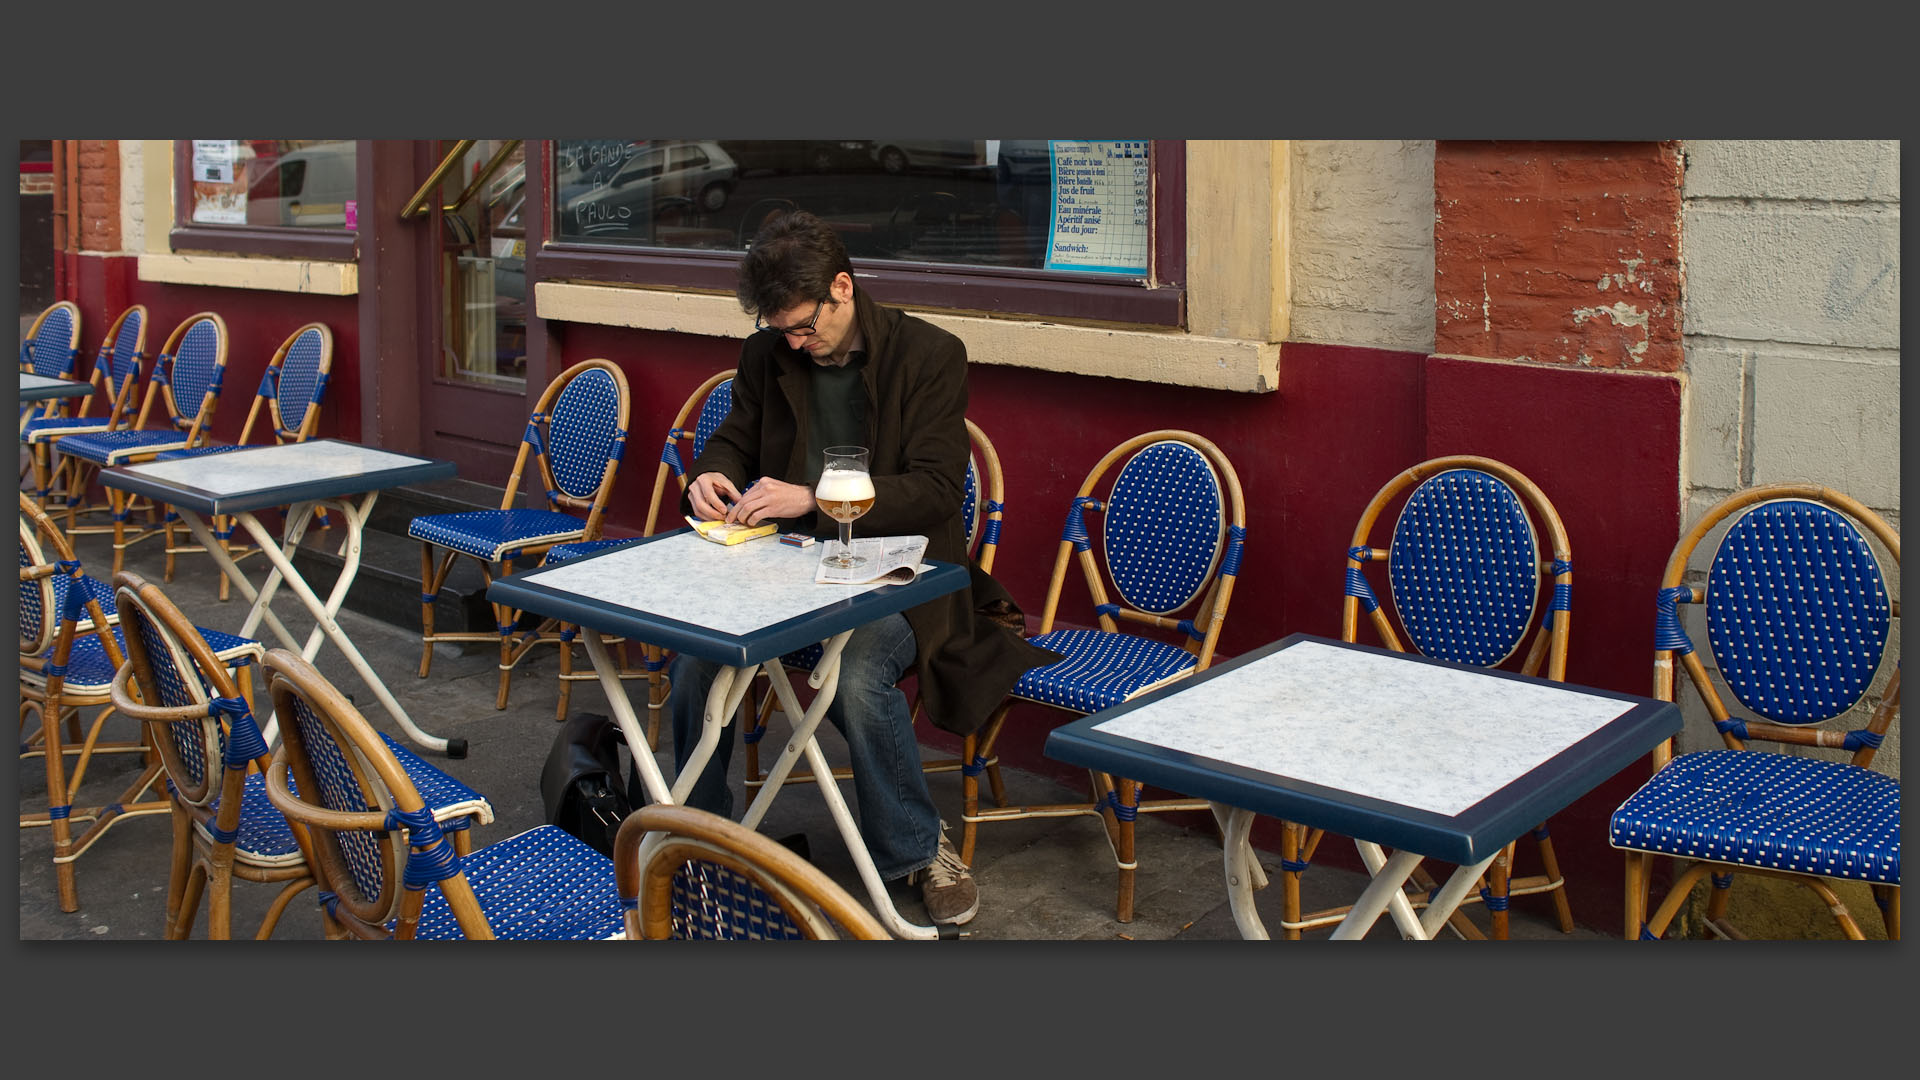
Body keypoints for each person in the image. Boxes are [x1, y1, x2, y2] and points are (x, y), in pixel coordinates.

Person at [670, 209, 1060, 926]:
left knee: (855, 671)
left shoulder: (930, 354)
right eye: (777, 330)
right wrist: (711, 475)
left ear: (843, 289)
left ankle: (915, 850)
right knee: (697, 655)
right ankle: (694, 835)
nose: (792, 342)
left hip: (903, 575)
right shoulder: (769, 355)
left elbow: (938, 490)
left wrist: (811, 496)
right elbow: (732, 437)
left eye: (802, 327)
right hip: (786, 569)